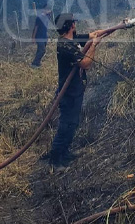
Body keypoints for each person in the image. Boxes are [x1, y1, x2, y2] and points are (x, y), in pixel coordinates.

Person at [46, 13, 111, 169]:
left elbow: (95, 34)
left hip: (75, 89)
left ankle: (65, 152)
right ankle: (55, 159)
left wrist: (120, 25)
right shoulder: (65, 45)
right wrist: (93, 45)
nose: (75, 24)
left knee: (73, 123)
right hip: (68, 93)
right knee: (66, 125)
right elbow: (86, 63)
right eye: (74, 22)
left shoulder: (72, 39)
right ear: (70, 26)